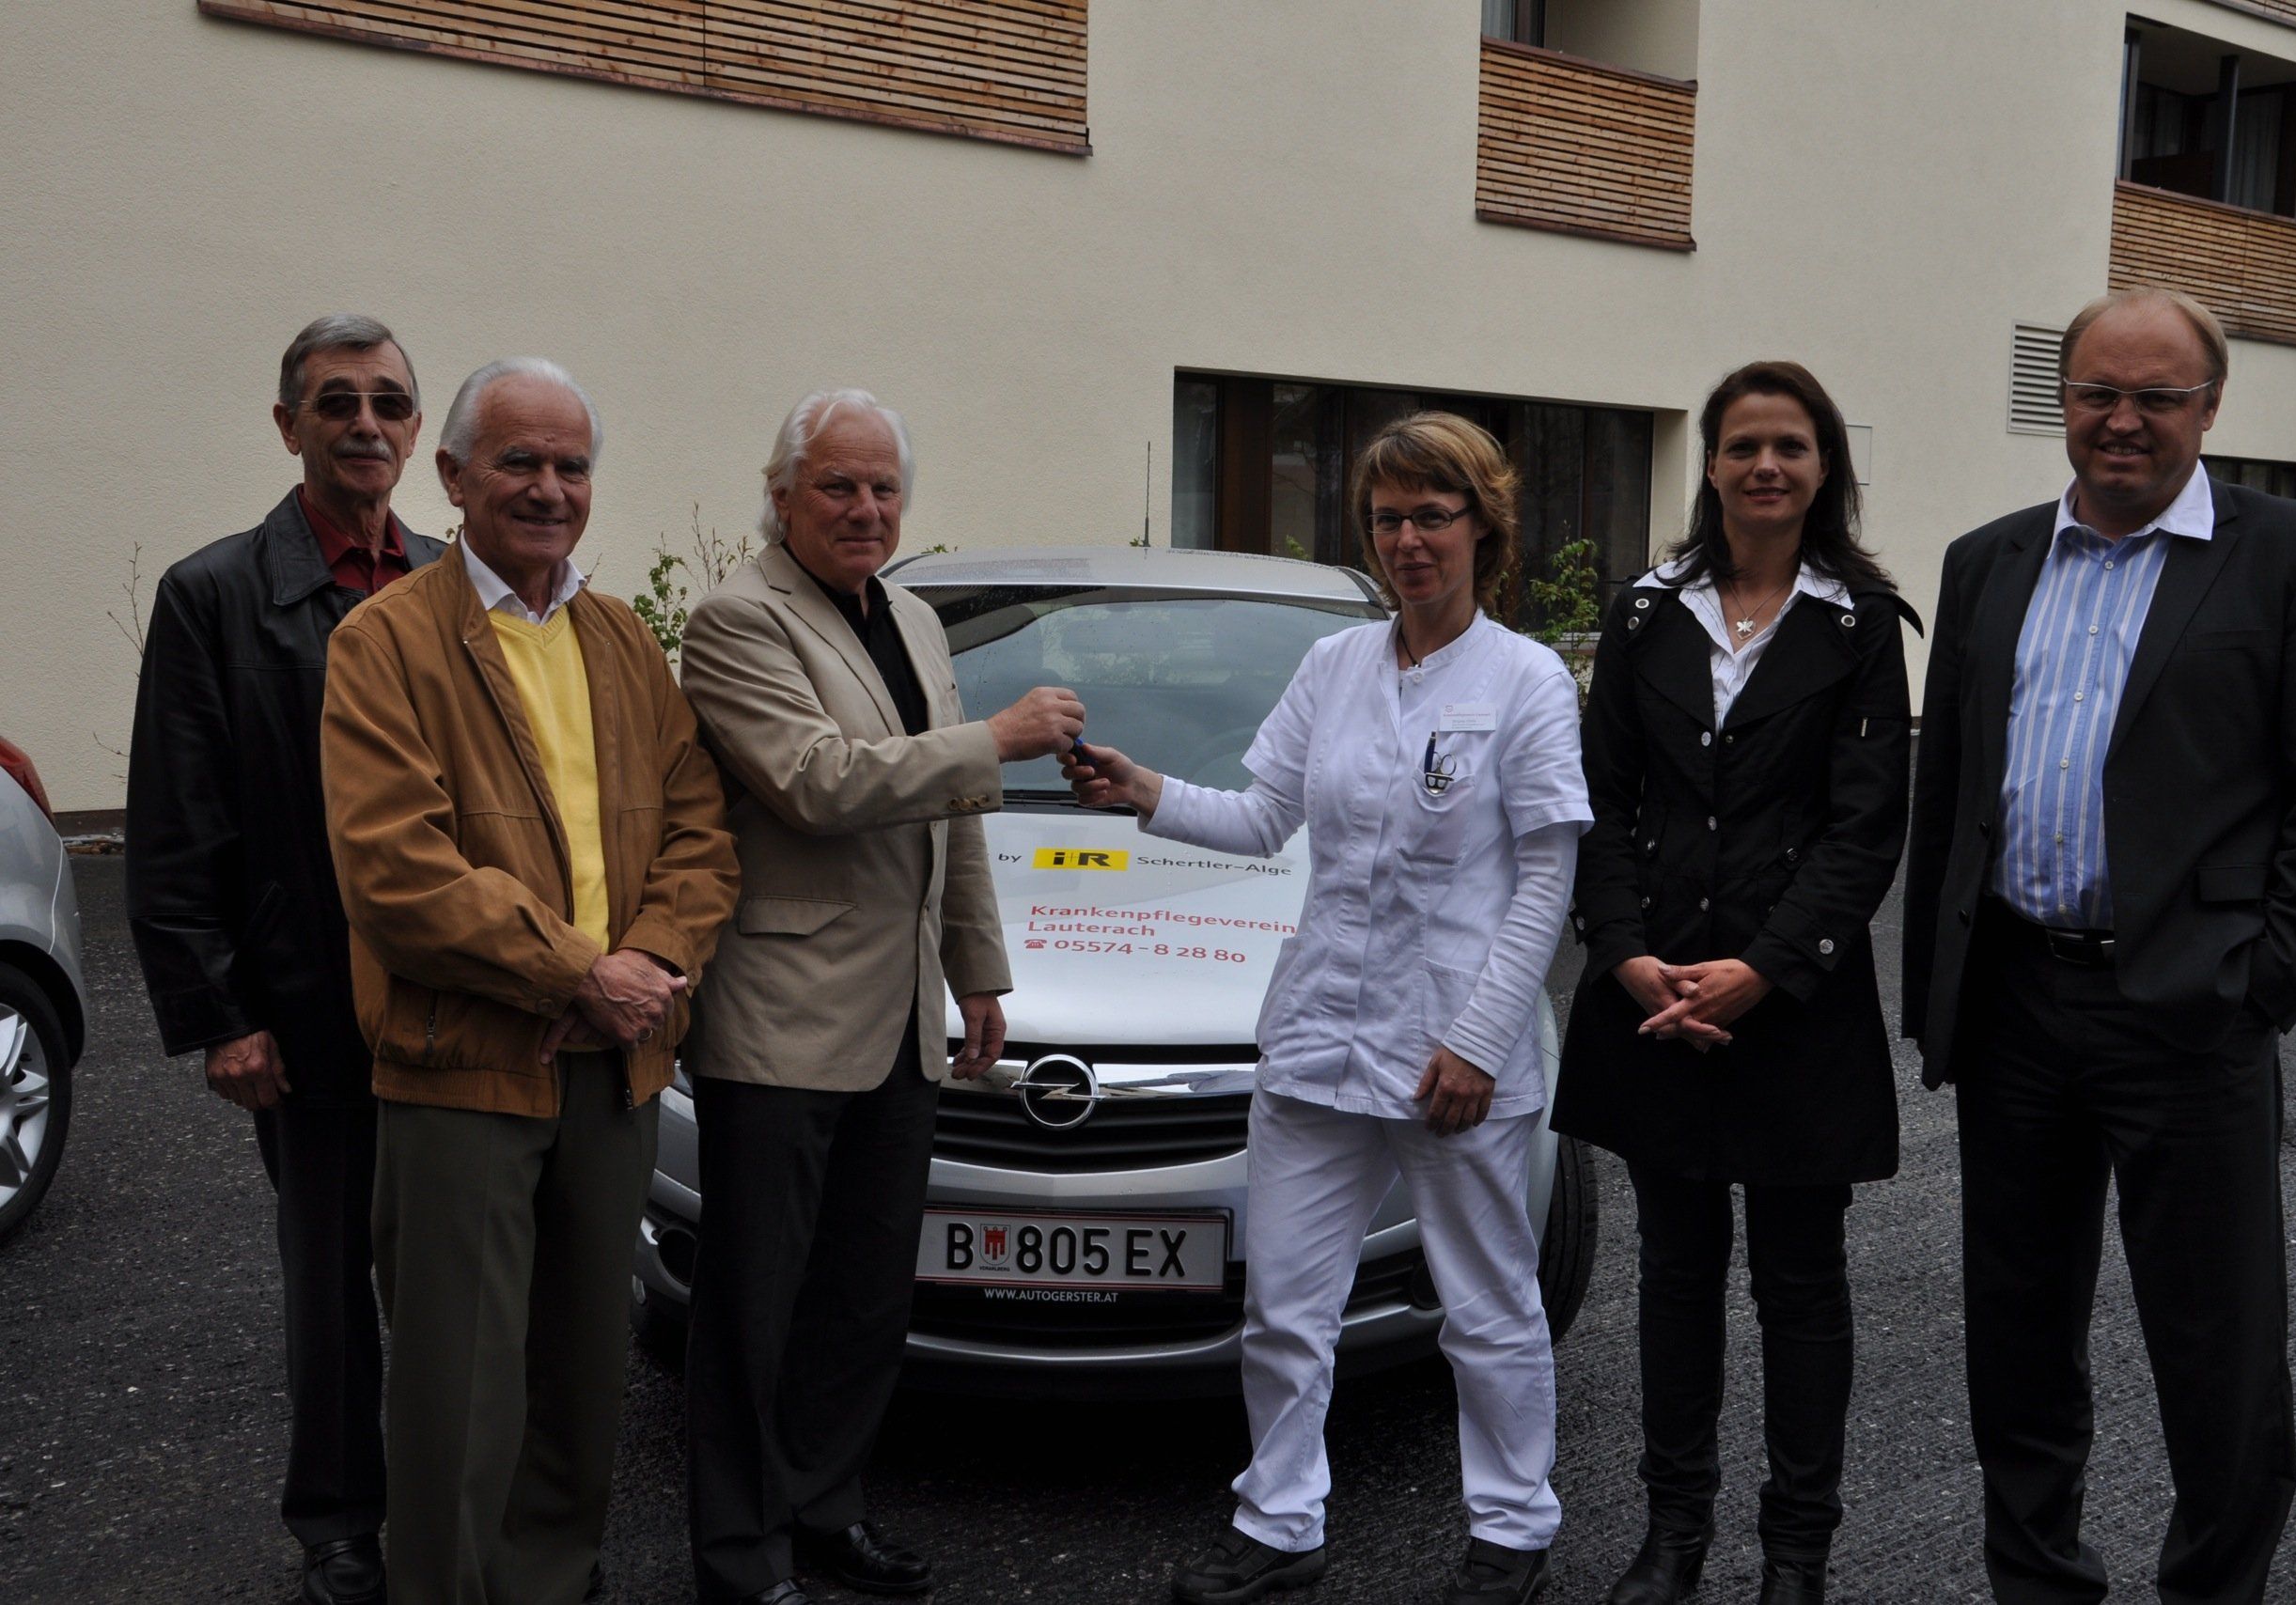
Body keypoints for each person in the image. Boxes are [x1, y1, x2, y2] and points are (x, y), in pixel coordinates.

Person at [1902, 286, 2296, 1604]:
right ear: (2062, 401)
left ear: (2209, 408)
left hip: (2190, 1011)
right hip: (2016, 1002)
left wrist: (2266, 981)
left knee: (2216, 1347)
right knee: (2015, 1334)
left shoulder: (2292, 552)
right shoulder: (1987, 560)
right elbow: (1948, 790)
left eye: (2156, 397)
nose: (2122, 420)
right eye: (2097, 393)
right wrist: (1941, 992)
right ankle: (2038, 1583)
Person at [1064, 412, 1588, 1605]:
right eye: (1388, 519)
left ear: (1483, 528)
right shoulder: (1333, 667)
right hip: (1317, 1042)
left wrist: (1478, 1040)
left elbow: (1545, 877)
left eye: (1432, 516)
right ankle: (1280, 1525)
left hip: (1451, 1055)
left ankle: (1512, 1529)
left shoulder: (1525, 680)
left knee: (1486, 1306)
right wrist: (1144, 789)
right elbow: (1262, 819)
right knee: (1286, 1309)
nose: (1408, 541)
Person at [320, 357, 740, 1605]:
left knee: (580, 1369)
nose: (550, 488)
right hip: (464, 1068)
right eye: (519, 461)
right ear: (452, 477)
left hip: (614, 1065)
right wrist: (577, 973)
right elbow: (397, 872)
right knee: (457, 1387)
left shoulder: (620, 640)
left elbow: (700, 833)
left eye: (571, 465)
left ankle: (549, 1582)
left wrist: (650, 964)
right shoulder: (385, 640)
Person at [676, 387, 1083, 1605]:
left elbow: (949, 814)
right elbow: (819, 782)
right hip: (779, 1022)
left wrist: (977, 969)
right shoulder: (737, 620)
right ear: (782, 495)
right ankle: (740, 1557)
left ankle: (824, 1511)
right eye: (838, 486)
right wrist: (995, 738)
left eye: (883, 487)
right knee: (754, 1310)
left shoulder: (908, 615)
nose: (864, 508)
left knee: (861, 1300)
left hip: (902, 1019)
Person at [1554, 362, 1913, 1605]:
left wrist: (1762, 969)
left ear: (1824, 469)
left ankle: (1796, 1555)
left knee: (1802, 1286)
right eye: (1745, 445)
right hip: (1655, 997)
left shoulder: (1861, 625)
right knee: (1674, 1276)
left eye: (1791, 446)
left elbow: (1865, 829)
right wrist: (1624, 952)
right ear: (1709, 463)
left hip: (1795, 1004)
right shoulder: (1645, 613)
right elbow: (1599, 801)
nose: (1766, 465)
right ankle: (1674, 1537)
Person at [126, 313, 445, 1605]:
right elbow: (177, 820)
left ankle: (451, 1505)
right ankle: (339, 1523)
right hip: (307, 1008)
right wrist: (220, 1015)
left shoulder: (449, 581)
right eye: (337, 402)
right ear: (287, 426)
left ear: (417, 432)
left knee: (455, 1273)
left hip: (451, 999)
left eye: (388, 403)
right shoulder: (213, 594)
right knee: (329, 1281)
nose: (365, 424)